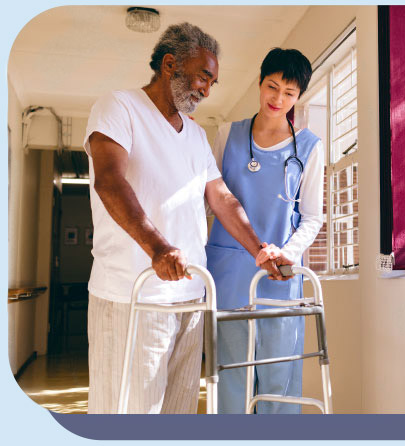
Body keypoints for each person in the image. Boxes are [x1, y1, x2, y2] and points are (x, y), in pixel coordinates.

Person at [84, 23, 274, 414]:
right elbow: (109, 181)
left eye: (213, 83)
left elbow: (220, 197)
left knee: (179, 413)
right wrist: (157, 247)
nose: (207, 90)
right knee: (129, 414)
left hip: (189, 298)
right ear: (169, 64)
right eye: (204, 76)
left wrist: (260, 250)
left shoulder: (195, 135)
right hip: (132, 295)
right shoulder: (119, 107)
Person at [206, 48, 324, 414]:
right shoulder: (228, 134)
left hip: (279, 274)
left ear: (299, 96)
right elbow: (210, 200)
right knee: (230, 373)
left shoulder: (309, 147)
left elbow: (312, 216)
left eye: (289, 93)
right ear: (259, 83)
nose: (278, 99)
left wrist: (287, 252)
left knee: (278, 374)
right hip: (228, 274)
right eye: (272, 87)